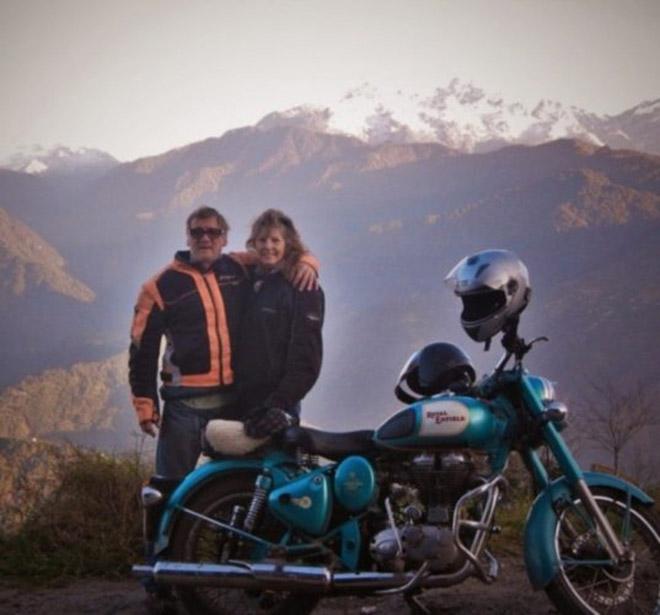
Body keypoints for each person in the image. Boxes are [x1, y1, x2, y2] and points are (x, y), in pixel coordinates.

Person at [128, 205, 318, 478]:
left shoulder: (238, 266)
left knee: (232, 487)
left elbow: (282, 255)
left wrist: (308, 264)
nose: (205, 238)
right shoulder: (158, 286)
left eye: (213, 232)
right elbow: (141, 350)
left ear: (224, 238)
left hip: (234, 404)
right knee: (171, 486)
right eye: (197, 232)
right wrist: (145, 404)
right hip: (184, 409)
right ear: (187, 237)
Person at [237, 209, 324, 439]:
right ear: (253, 243)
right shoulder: (248, 278)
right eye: (262, 240)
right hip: (243, 401)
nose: (268, 246)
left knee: (279, 471)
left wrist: (278, 404)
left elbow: (307, 356)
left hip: (278, 405)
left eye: (275, 240)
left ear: (288, 244)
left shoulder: (302, 287)